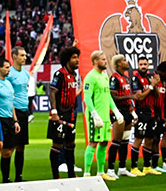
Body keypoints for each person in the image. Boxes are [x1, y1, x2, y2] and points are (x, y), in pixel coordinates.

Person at [83, 51, 122, 181]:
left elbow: (108, 96)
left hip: (105, 116)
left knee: (104, 143)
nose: (105, 62)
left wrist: (115, 110)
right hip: (96, 116)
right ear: (95, 61)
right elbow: (87, 98)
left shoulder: (105, 76)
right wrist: (94, 114)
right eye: (103, 60)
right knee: (93, 142)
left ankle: (100, 172)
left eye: (105, 59)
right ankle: (87, 173)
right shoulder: (90, 77)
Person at [48, 47, 81, 180]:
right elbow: (53, 92)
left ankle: (71, 174)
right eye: (74, 57)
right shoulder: (59, 74)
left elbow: (71, 95)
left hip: (71, 114)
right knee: (57, 144)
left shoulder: (73, 75)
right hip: (60, 114)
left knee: (71, 144)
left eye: (77, 57)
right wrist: (54, 111)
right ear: (67, 60)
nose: (77, 60)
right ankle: (56, 176)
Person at [130, 57, 160, 176]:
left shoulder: (150, 77)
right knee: (138, 139)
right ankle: (134, 167)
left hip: (150, 113)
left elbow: (157, 96)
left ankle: (147, 166)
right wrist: (151, 87)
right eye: (141, 64)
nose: (143, 66)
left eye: (145, 64)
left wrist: (155, 84)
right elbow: (139, 97)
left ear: (148, 65)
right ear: (138, 65)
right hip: (141, 112)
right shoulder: (135, 78)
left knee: (149, 139)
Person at [108, 54, 137, 178]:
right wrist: (130, 97)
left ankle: (122, 168)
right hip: (118, 111)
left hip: (126, 110)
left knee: (125, 141)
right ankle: (110, 169)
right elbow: (113, 96)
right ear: (119, 63)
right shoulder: (114, 78)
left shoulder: (125, 78)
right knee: (116, 141)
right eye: (124, 60)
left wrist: (132, 111)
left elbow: (127, 96)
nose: (127, 62)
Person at [5, 47, 31, 182]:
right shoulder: (9, 74)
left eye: (25, 55)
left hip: (24, 111)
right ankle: (6, 177)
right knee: (11, 147)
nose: (24, 57)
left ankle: (18, 177)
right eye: (21, 55)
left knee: (21, 146)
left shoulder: (26, 74)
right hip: (13, 112)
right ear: (14, 56)